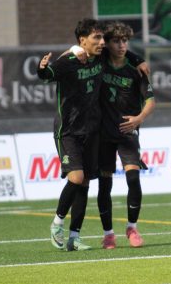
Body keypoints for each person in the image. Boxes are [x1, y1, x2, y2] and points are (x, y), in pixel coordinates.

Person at [37, 18, 145, 252]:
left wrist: (139, 60)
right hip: (68, 131)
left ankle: (74, 237)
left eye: (102, 38)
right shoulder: (70, 60)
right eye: (96, 38)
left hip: (93, 132)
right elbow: (47, 75)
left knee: (84, 183)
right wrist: (42, 68)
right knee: (75, 178)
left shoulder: (100, 57)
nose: (102, 42)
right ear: (82, 40)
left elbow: (123, 51)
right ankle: (57, 223)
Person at [96, 21, 156, 249]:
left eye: (125, 41)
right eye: (116, 41)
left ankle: (132, 227)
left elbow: (151, 101)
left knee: (133, 178)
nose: (121, 45)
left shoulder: (136, 71)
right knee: (104, 185)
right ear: (107, 43)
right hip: (103, 133)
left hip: (128, 132)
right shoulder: (99, 63)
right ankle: (108, 234)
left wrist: (139, 119)